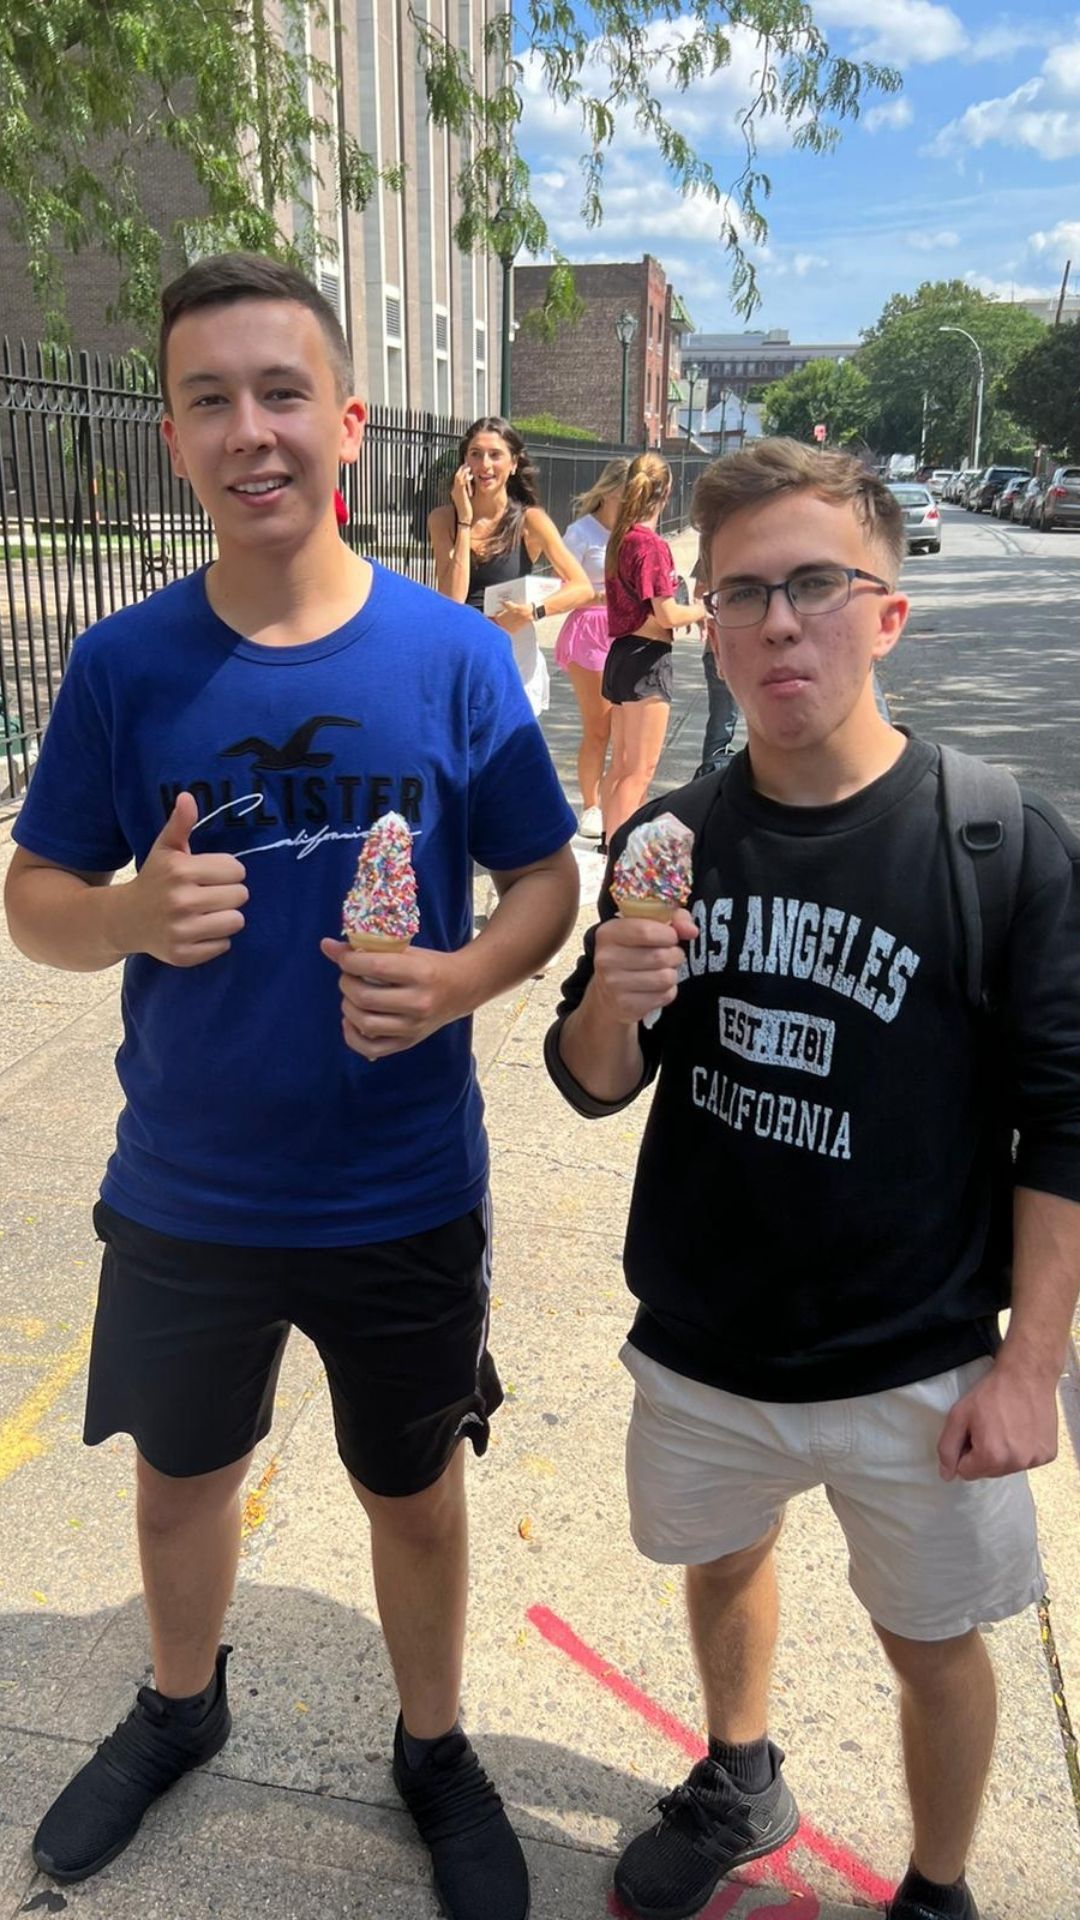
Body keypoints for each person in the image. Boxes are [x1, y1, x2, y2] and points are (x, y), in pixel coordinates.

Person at [4, 253, 580, 1920]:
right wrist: (124, 914)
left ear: (342, 421)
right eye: (207, 400)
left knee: (413, 1486)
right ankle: (182, 1708)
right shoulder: (126, 670)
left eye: (278, 394)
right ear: (173, 438)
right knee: (179, 1477)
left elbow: (545, 879)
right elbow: (34, 901)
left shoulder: (454, 660)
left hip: (400, 1187)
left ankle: (434, 1743)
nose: (248, 430)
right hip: (186, 1187)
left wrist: (468, 976)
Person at [545, 437, 1080, 1920]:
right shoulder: (671, 840)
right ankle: (740, 1770)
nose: (782, 623)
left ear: (889, 611)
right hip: (708, 1339)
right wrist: (616, 994)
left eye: (819, 586)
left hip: (916, 1362)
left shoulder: (999, 842)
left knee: (933, 1643)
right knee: (720, 1569)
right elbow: (590, 1085)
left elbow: (1067, 1122)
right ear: (705, 623)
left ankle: (939, 1884)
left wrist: (1033, 1365)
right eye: (745, 594)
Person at [428, 415, 590, 717]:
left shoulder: (530, 521)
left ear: (513, 463)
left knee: (510, 756)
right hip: (462, 652)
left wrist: (534, 611)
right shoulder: (443, 520)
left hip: (512, 653)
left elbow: (581, 587)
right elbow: (452, 598)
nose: (484, 465)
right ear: (464, 462)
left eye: (495, 455)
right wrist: (464, 519)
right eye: (475, 454)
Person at [600, 451, 707, 846]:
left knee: (622, 766)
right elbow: (666, 614)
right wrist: (703, 609)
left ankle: (611, 843)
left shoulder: (621, 539)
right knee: (640, 770)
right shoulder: (651, 545)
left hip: (622, 655)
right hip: (647, 657)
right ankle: (620, 854)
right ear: (666, 493)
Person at [555, 457, 628, 837]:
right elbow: (564, 587)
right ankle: (591, 805)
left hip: (628, 632)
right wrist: (602, 597)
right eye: (630, 490)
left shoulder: (633, 531)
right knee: (598, 726)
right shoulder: (581, 532)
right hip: (591, 631)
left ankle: (620, 800)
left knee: (626, 726)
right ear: (612, 489)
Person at [690, 535, 739, 775]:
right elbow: (700, 592)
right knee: (723, 722)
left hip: (726, 644)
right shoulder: (714, 548)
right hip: (721, 645)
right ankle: (711, 779)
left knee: (724, 721)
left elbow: (699, 591)